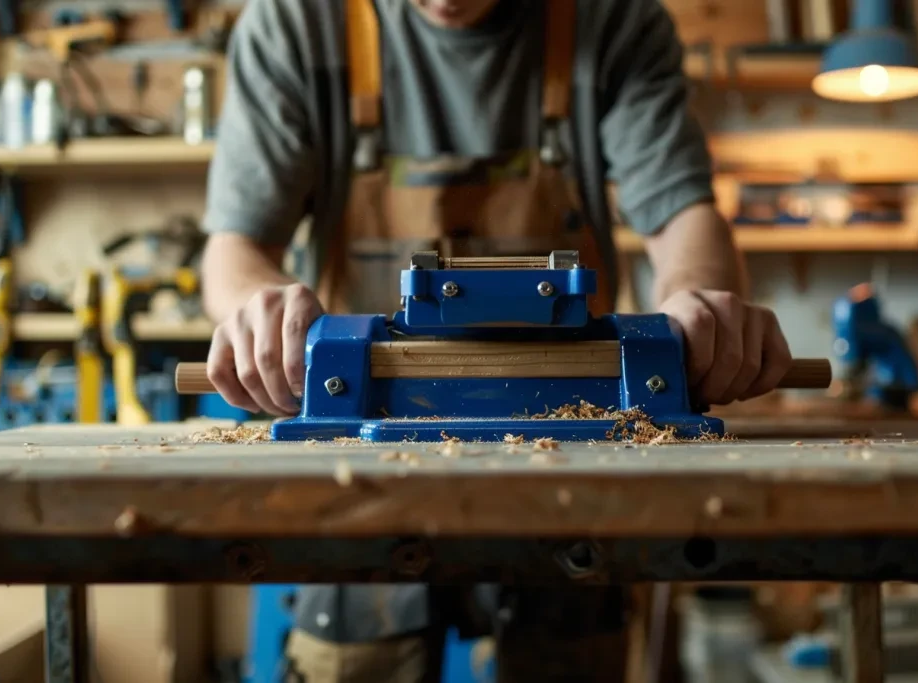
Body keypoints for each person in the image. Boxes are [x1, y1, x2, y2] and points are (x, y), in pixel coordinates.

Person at [199, 0, 794, 680]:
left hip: (572, 467)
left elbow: (685, 217)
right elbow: (234, 251)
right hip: (359, 468)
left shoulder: (612, 21)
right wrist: (259, 313)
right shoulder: (297, 23)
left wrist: (696, 303)